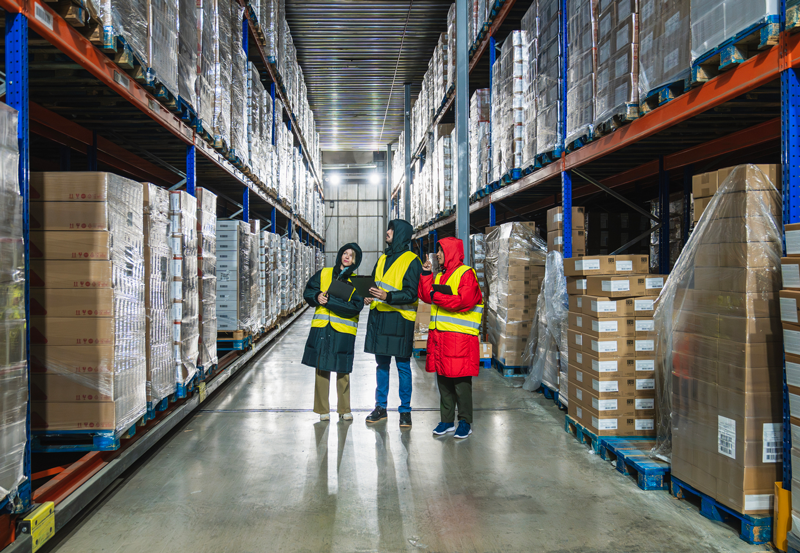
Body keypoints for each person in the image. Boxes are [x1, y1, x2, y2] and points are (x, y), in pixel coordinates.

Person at [417, 237, 483, 439]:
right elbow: (426, 295)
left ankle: (465, 422)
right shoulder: (440, 276)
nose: (437, 254)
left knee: (461, 384)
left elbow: (463, 301)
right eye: (438, 251)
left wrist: (437, 296)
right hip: (441, 339)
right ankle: (446, 421)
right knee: (443, 382)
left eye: (441, 251)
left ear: (451, 252)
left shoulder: (466, 274)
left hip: (459, 341)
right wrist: (427, 275)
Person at [364, 220, 423, 427]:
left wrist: (388, 296)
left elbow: (411, 293)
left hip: (399, 320)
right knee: (381, 365)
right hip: (380, 318)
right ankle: (380, 407)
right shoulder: (382, 258)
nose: (387, 232)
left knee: (403, 366)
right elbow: (373, 283)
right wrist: (368, 295)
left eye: (391, 229)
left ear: (399, 234)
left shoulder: (412, 260)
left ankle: (405, 410)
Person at [302, 243, 364, 421]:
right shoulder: (324, 273)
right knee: (322, 368)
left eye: (351, 255)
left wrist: (328, 302)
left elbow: (355, 307)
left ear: (355, 261)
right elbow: (309, 291)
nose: (347, 257)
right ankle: (323, 410)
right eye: (345, 253)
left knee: (342, 369)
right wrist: (316, 297)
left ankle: (344, 409)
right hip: (322, 327)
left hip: (343, 330)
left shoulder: (356, 282)